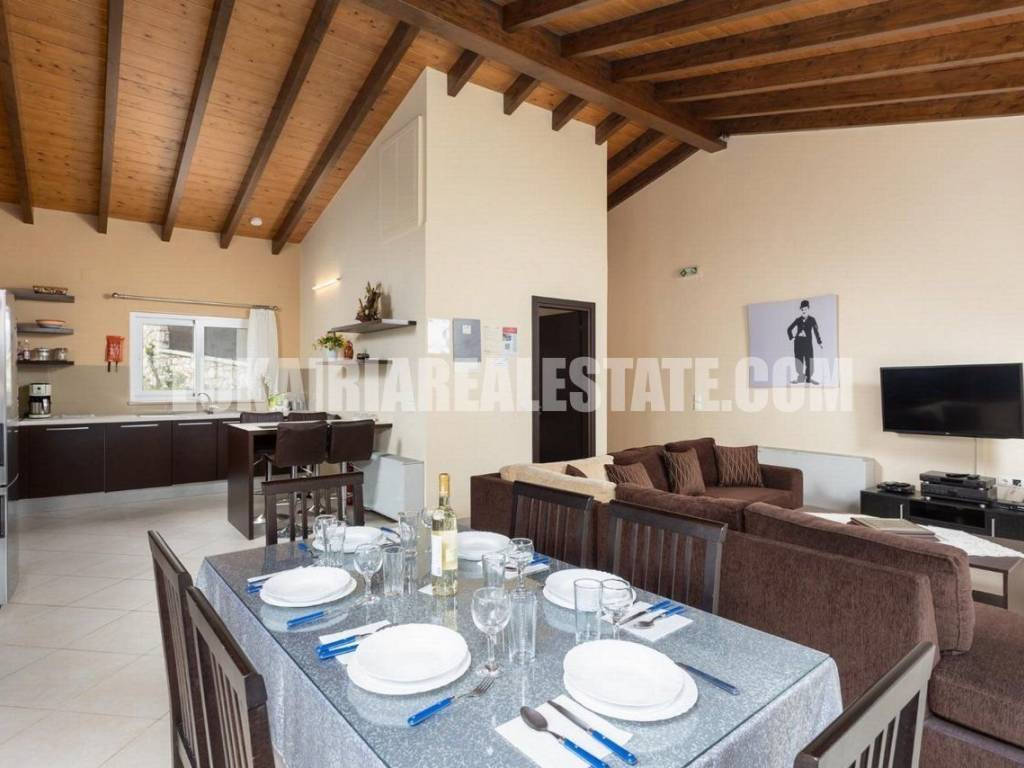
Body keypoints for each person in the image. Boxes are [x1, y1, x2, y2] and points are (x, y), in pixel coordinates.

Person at [787, 299, 823, 385]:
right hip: (798, 344)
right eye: (802, 309)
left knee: (809, 361)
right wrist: (792, 337)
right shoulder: (798, 320)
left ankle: (808, 378)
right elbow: (789, 329)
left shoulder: (812, 320)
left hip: (808, 344)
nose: (804, 311)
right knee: (799, 361)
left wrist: (819, 342)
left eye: (805, 309)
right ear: (801, 310)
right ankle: (800, 378)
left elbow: (816, 331)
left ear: (808, 309)